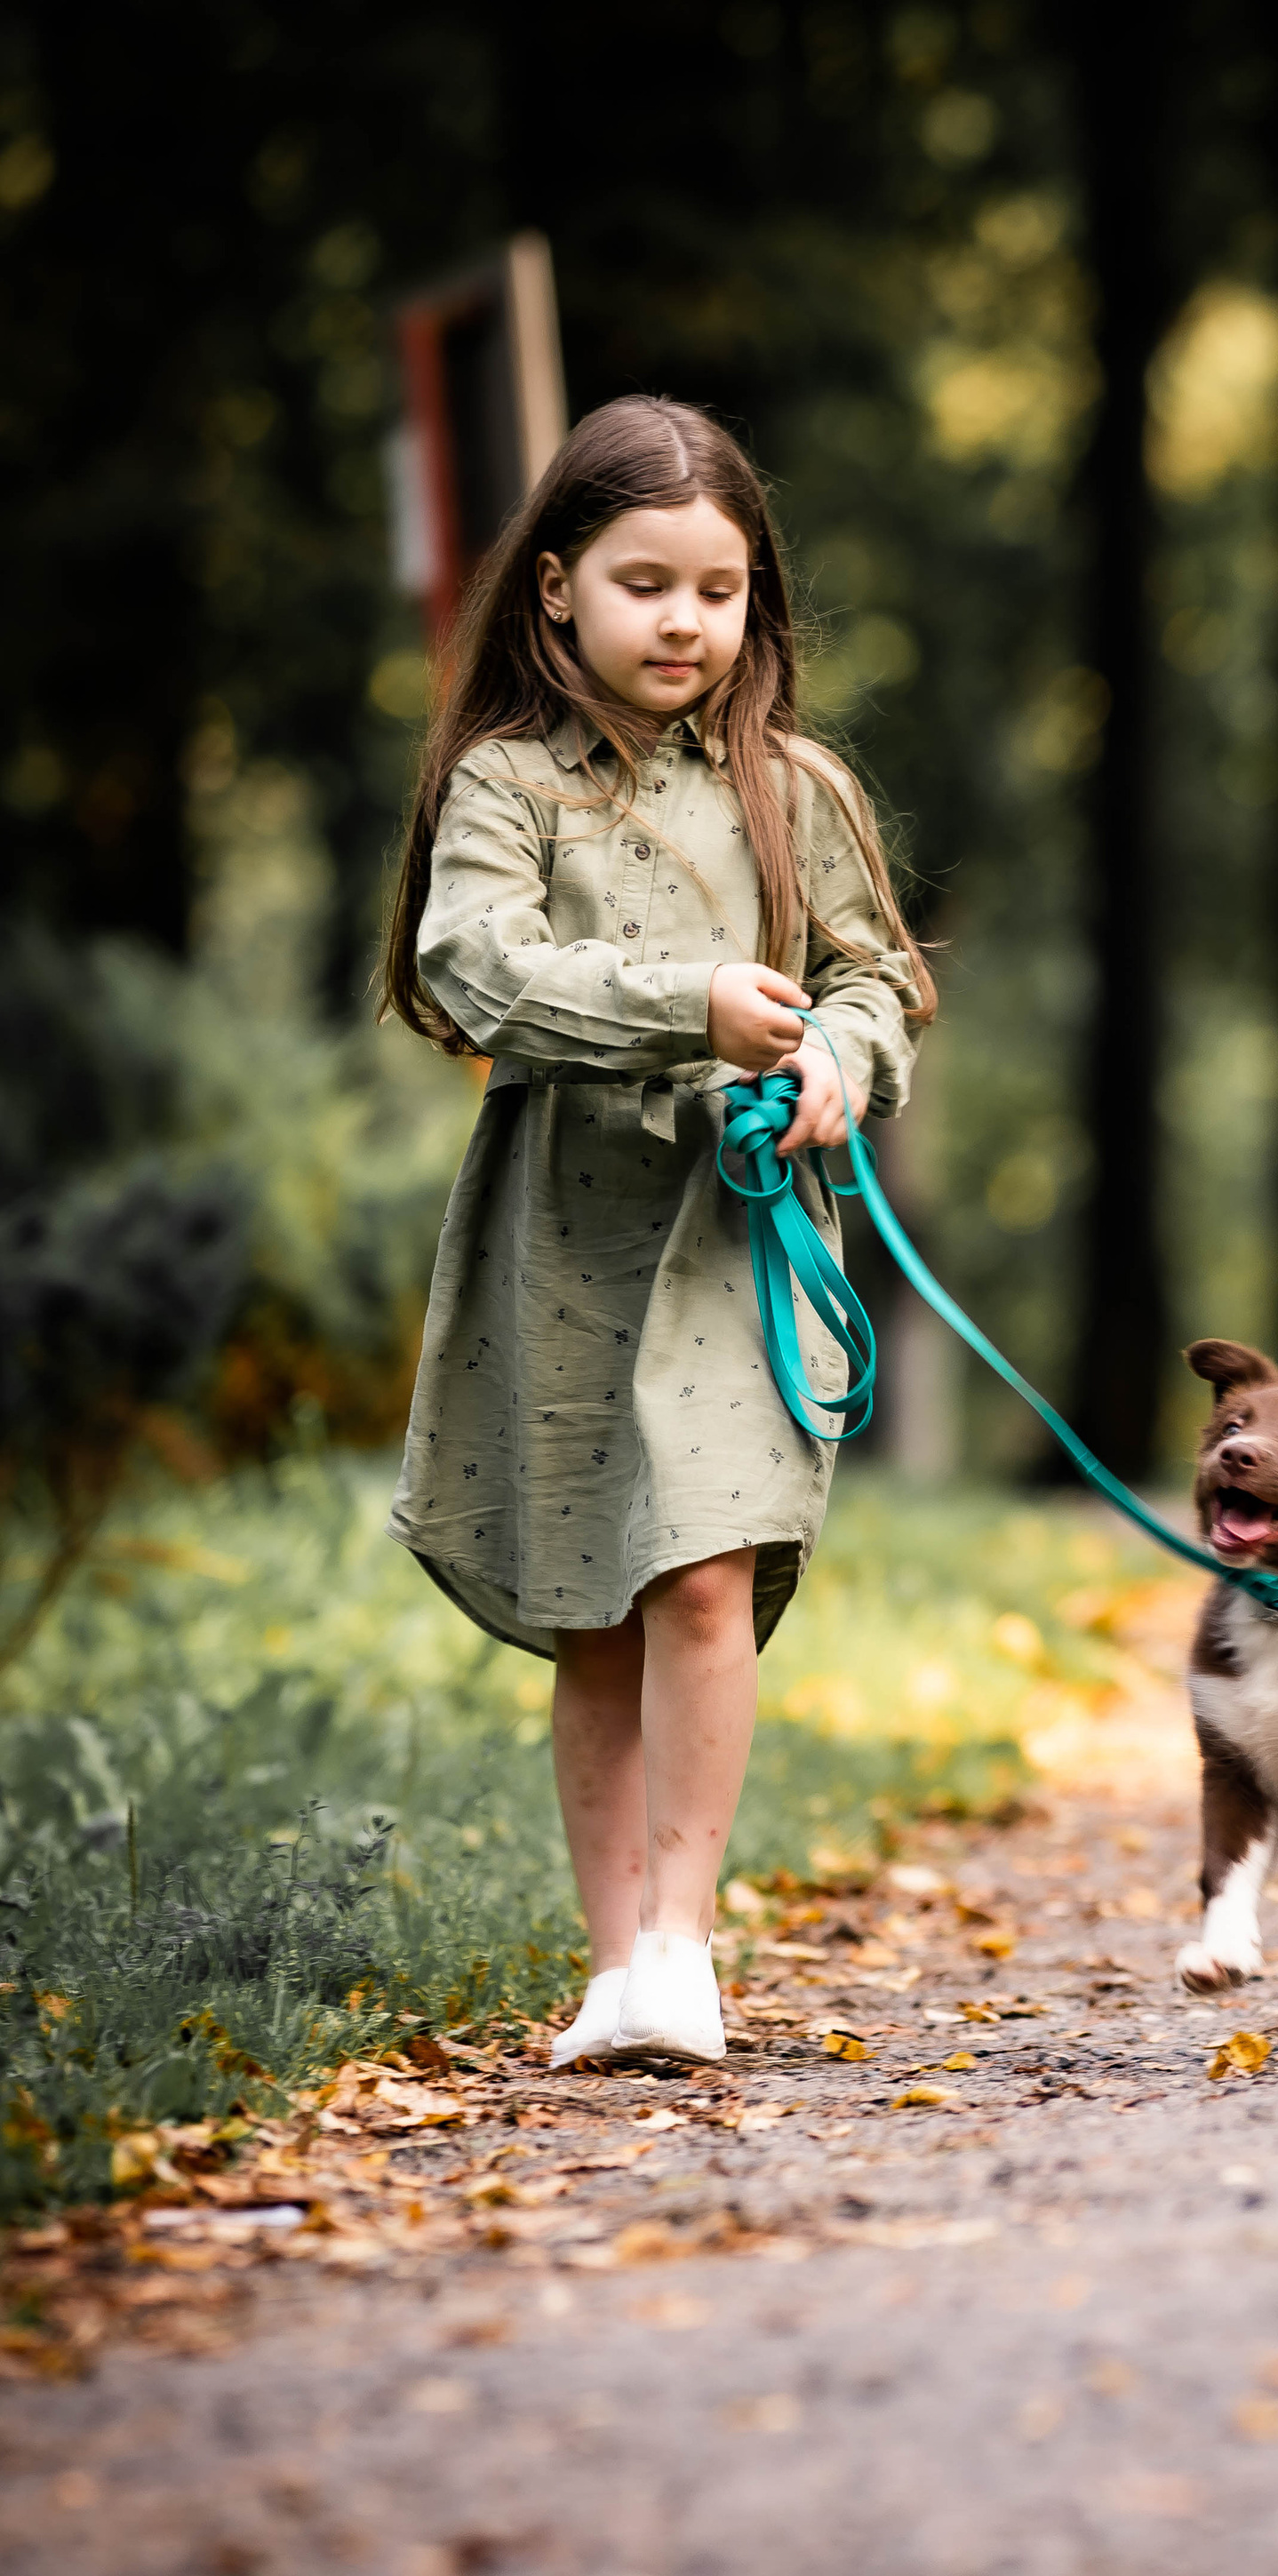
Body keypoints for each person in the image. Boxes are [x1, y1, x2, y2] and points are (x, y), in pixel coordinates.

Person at [378, 395, 933, 2070]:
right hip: (562, 1233)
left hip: (733, 1227)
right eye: (644, 583)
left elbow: (877, 976)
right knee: (599, 1600)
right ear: (556, 588)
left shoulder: (795, 788)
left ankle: (685, 1945)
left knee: (701, 1571)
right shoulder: (504, 783)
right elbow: (468, 964)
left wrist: (841, 1054)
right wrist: (687, 1005)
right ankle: (614, 1965)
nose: (686, 621)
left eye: (720, 587)